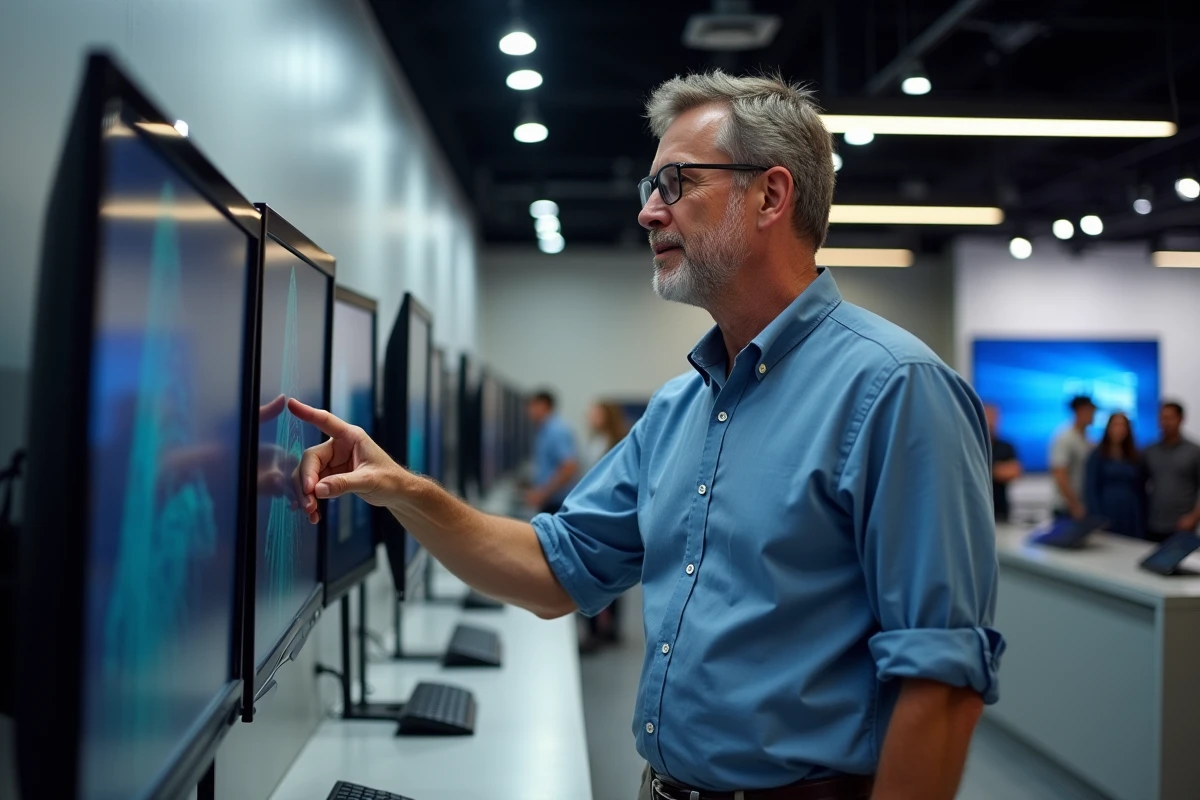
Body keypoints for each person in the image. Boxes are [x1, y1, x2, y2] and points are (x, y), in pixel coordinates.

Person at [289, 70, 1002, 800]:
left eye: (675, 183)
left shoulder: (896, 390)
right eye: (650, 187)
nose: (648, 212)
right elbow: (554, 569)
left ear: (770, 195)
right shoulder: (679, 409)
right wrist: (403, 492)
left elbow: (941, 685)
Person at [578, 402, 630, 651]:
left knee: (605, 574)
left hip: (607, 514)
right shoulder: (595, 440)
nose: (590, 416)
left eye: (596, 412)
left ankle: (605, 631)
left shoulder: (615, 442)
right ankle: (599, 630)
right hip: (595, 511)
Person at [1084, 412, 1146, 539]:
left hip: (1130, 508)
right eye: (1115, 425)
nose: (1119, 429)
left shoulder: (1134, 456)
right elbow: (1090, 488)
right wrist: (1096, 517)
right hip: (1107, 508)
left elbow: (1141, 487)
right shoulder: (1097, 455)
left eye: (1123, 426)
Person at [1144, 401, 1200, 543]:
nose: (1165, 423)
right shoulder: (1150, 451)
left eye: (1170, 418)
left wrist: (1194, 517)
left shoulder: (1194, 451)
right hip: (1154, 523)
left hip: (1183, 524)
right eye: (1162, 418)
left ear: (1180, 419)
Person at [524, 390, 579, 515]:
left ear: (543, 405)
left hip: (557, 503)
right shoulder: (545, 429)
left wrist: (542, 494)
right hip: (551, 500)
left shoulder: (556, 430)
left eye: (531, 406)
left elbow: (569, 467)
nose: (528, 411)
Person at [1049, 396, 1096, 519]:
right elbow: (1059, 474)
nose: (1093, 415)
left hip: (1082, 505)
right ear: (1080, 411)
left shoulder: (1087, 438)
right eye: (1090, 411)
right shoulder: (1065, 437)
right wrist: (1074, 505)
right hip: (1067, 508)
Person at [985, 404, 1022, 523]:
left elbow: (1014, 472)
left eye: (993, 416)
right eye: (987, 416)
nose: (990, 421)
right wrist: (998, 469)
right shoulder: (970, 446)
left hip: (1000, 509)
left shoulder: (1006, 446)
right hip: (976, 508)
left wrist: (982, 470)